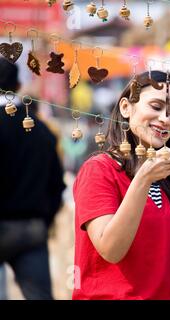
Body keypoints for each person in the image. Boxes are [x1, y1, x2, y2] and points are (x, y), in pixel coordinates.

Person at [72, 71, 170, 300]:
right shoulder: (99, 169)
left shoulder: (163, 177)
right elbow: (111, 250)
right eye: (156, 107)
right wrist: (143, 179)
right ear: (126, 107)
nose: (166, 119)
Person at [0, 58, 66, 300]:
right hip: (31, 229)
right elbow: (57, 184)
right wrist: (43, 220)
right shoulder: (42, 130)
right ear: (18, 86)